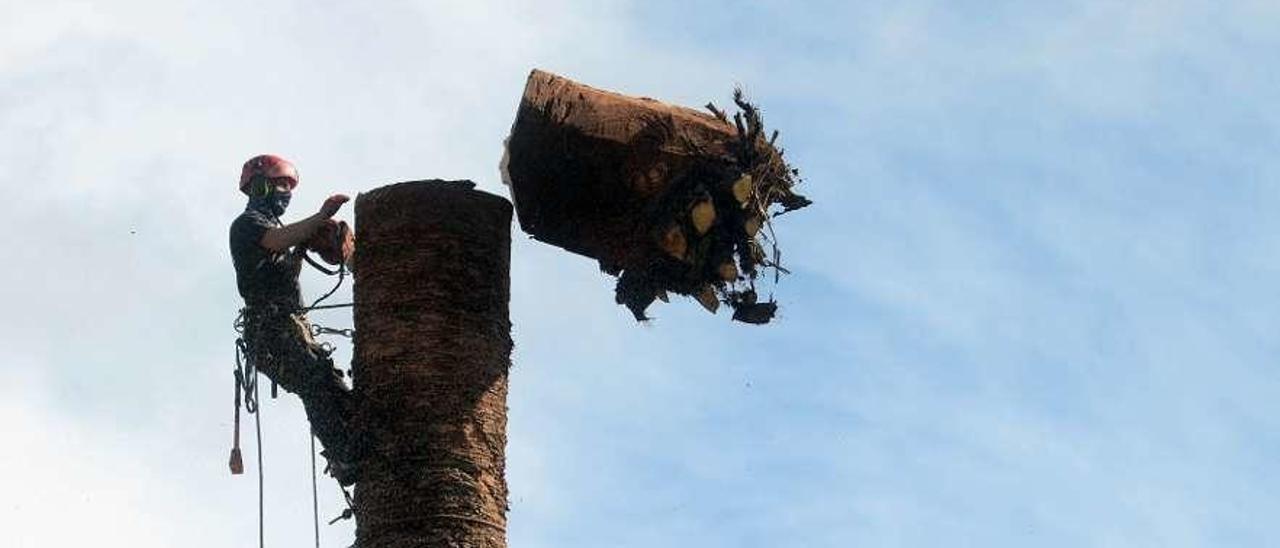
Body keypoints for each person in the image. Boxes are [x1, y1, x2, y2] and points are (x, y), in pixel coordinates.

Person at [229, 154, 358, 485]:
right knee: (314, 380)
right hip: (270, 329)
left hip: (287, 329)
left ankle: (355, 440)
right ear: (259, 187)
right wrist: (319, 218)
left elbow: (287, 256)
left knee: (328, 383)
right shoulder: (247, 226)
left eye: (289, 186)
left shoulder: (281, 232)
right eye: (280, 184)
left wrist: (309, 247)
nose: (286, 192)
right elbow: (275, 241)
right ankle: (344, 455)